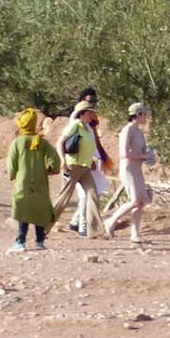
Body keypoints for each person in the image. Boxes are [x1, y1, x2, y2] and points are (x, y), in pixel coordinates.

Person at [5, 107, 60, 252]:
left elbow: (12, 164)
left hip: (23, 181)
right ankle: (40, 241)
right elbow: (55, 161)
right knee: (39, 208)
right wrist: (49, 170)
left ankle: (21, 241)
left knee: (23, 208)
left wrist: (12, 174)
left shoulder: (17, 142)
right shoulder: (42, 142)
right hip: (40, 181)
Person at [52, 99, 108, 237]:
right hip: (73, 166)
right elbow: (60, 142)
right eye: (89, 113)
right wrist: (63, 161)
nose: (91, 116)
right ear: (82, 114)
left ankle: (95, 231)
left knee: (93, 196)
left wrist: (92, 161)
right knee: (63, 198)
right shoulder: (75, 125)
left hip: (85, 167)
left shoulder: (87, 129)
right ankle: (44, 227)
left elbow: (89, 148)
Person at [102, 102, 155, 244]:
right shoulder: (127, 130)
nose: (146, 117)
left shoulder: (139, 132)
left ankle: (135, 233)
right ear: (138, 115)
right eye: (144, 114)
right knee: (135, 200)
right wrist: (144, 157)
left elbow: (142, 151)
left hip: (137, 169)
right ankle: (110, 221)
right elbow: (124, 154)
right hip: (128, 169)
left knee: (141, 202)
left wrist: (149, 156)